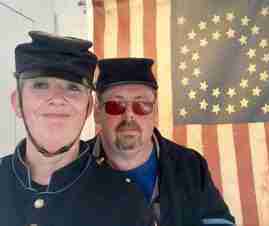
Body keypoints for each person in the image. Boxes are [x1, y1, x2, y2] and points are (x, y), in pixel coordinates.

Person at [0, 31, 150, 226]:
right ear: (17, 103)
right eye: (40, 85)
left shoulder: (126, 201)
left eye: (73, 87)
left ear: (89, 107)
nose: (56, 98)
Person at [92, 57, 236, 226]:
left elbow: (219, 221)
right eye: (115, 105)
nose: (129, 116)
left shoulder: (190, 164)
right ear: (97, 112)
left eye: (142, 105)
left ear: (156, 112)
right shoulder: (74, 168)